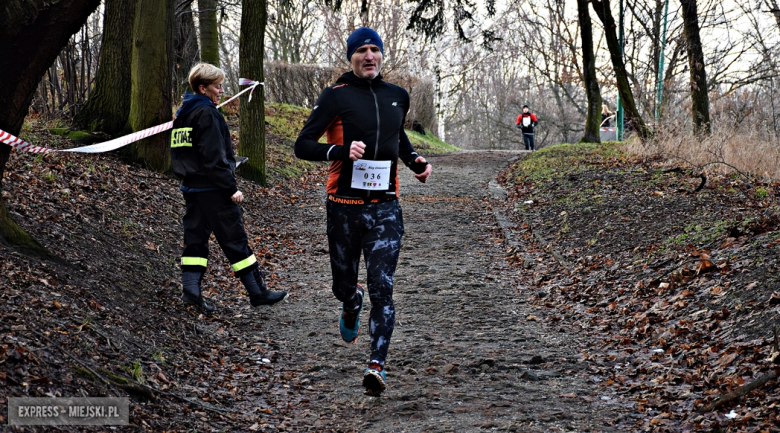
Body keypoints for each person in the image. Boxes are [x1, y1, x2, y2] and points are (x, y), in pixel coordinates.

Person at [294, 27, 433, 396]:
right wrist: (340, 152)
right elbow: (302, 145)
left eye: (375, 50)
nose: (369, 56)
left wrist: (414, 159)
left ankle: (376, 365)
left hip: (386, 207)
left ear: (382, 56)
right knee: (345, 285)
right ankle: (350, 301)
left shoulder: (397, 96)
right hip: (343, 208)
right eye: (362, 51)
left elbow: (395, 136)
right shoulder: (334, 97)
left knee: (383, 287)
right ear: (351, 57)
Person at [170, 63, 288, 313]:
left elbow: (182, 155)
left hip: (191, 189)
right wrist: (231, 188)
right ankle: (258, 292)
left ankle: (191, 290)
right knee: (236, 241)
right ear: (202, 88)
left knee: (195, 241)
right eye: (217, 86)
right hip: (214, 191)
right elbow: (215, 158)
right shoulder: (208, 114)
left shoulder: (183, 114)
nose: (222, 90)